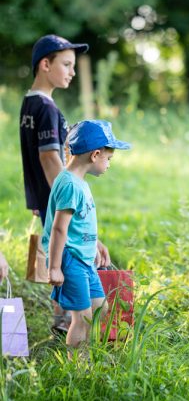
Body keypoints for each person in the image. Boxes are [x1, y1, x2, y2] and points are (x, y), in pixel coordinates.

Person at [19, 34, 110, 332]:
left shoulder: (29, 105)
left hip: (44, 199)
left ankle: (63, 318)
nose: (72, 71)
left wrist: (36, 198)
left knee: (55, 257)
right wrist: (69, 193)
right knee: (67, 257)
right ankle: (65, 324)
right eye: (67, 64)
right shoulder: (47, 109)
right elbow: (48, 159)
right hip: (58, 202)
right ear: (45, 64)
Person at [42, 120, 131, 350]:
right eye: (108, 159)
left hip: (84, 259)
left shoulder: (77, 181)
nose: (109, 165)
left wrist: (95, 244)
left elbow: (76, 225)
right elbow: (59, 229)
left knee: (100, 309)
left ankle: (88, 353)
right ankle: (77, 365)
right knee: (82, 318)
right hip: (71, 260)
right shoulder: (71, 185)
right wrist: (54, 267)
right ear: (95, 155)